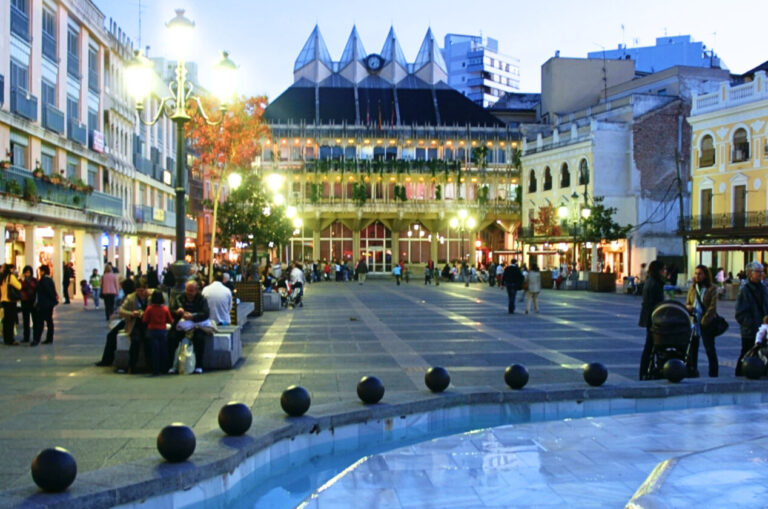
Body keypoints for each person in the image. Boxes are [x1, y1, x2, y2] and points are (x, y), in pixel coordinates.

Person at [168, 280, 211, 374]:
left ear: (196, 290)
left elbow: (205, 314)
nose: (189, 293)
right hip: (181, 325)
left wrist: (193, 317)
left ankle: (199, 365)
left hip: (196, 326)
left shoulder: (202, 299)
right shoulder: (179, 298)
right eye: (187, 290)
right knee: (172, 337)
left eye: (191, 291)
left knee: (199, 339)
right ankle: (172, 365)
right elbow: (171, 311)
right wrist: (177, 312)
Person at [735, 261, 768, 376]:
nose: (761, 274)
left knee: (762, 352)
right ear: (750, 274)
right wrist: (751, 325)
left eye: (762, 272)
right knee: (747, 351)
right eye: (758, 272)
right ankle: (740, 373)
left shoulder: (764, 288)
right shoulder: (745, 290)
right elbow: (740, 313)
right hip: (750, 330)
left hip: (763, 328)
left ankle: (758, 372)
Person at [685, 265, 719, 378]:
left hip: (706, 322)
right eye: (696, 273)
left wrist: (705, 320)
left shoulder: (712, 288)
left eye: (700, 274)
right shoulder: (693, 287)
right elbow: (688, 302)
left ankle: (713, 373)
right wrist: (688, 307)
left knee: (710, 349)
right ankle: (692, 370)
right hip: (694, 322)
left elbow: (712, 307)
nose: (697, 276)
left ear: (705, 275)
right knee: (692, 349)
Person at [95, 278, 135, 367]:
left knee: (111, 336)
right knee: (112, 335)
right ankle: (108, 359)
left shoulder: (129, 297)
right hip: (128, 319)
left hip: (130, 321)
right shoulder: (130, 296)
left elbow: (123, 311)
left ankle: (107, 360)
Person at [638, 260, 666, 380]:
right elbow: (656, 303)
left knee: (649, 346)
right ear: (658, 271)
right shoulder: (655, 283)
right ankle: (646, 370)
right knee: (650, 346)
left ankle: (645, 370)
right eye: (664, 269)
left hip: (649, 318)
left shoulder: (650, 281)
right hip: (654, 319)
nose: (665, 272)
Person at [118, 277, 151, 374]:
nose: (141, 293)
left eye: (143, 290)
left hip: (147, 324)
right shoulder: (130, 298)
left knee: (148, 339)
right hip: (135, 323)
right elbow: (121, 311)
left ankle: (150, 365)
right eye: (139, 291)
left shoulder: (150, 297)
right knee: (135, 340)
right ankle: (132, 365)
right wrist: (132, 314)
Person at [142, 290, 173, 376]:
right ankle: (164, 368)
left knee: (154, 351)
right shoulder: (165, 309)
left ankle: (155, 369)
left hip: (152, 331)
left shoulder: (149, 309)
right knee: (163, 350)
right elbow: (170, 320)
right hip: (162, 331)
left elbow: (145, 320)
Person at [32, 264, 58, 346]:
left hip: (44, 304)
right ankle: (49, 338)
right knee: (49, 321)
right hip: (48, 304)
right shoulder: (49, 279)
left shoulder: (44, 280)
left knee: (41, 322)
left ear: (43, 271)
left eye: (40, 271)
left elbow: (47, 291)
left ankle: (37, 339)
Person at [0, 264, 21, 345]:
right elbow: (19, 286)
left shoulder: (1, 277)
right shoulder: (10, 277)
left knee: (6, 321)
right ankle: (10, 339)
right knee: (11, 321)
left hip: (3, 300)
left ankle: (6, 338)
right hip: (10, 301)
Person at [19, 266, 37, 343]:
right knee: (25, 321)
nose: (27, 274)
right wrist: (22, 281)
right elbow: (20, 287)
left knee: (35, 320)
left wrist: (26, 283)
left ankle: (35, 337)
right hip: (25, 301)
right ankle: (26, 337)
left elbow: (34, 287)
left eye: (28, 272)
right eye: (26, 272)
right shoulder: (21, 280)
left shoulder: (34, 280)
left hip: (32, 302)